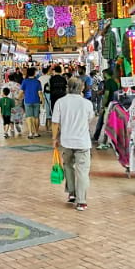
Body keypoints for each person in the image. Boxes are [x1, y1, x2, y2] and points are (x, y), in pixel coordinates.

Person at [52, 78, 95, 212]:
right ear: (81, 88)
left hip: (66, 141)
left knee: (68, 166)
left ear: (67, 87)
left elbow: (55, 123)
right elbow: (90, 119)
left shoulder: (60, 102)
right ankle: (81, 201)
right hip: (83, 142)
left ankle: (72, 193)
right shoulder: (87, 103)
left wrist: (54, 138)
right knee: (82, 171)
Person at [94, 69, 120, 149]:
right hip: (115, 104)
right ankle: (111, 141)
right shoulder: (116, 82)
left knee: (102, 121)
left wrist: (102, 105)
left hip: (108, 105)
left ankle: (97, 137)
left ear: (105, 74)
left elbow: (106, 94)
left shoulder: (108, 82)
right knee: (110, 122)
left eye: (103, 74)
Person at [20, 68, 43, 138]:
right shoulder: (37, 82)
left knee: (29, 117)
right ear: (34, 73)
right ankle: (36, 132)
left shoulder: (24, 81)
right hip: (36, 101)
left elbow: (21, 92)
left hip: (27, 101)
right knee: (36, 117)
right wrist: (42, 100)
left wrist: (18, 98)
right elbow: (40, 93)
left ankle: (30, 133)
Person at [46, 65, 68, 132]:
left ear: (54, 71)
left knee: (54, 112)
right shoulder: (64, 79)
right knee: (62, 112)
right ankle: (62, 127)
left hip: (53, 97)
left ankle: (56, 127)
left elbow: (49, 88)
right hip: (62, 97)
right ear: (61, 71)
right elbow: (66, 88)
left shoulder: (51, 79)